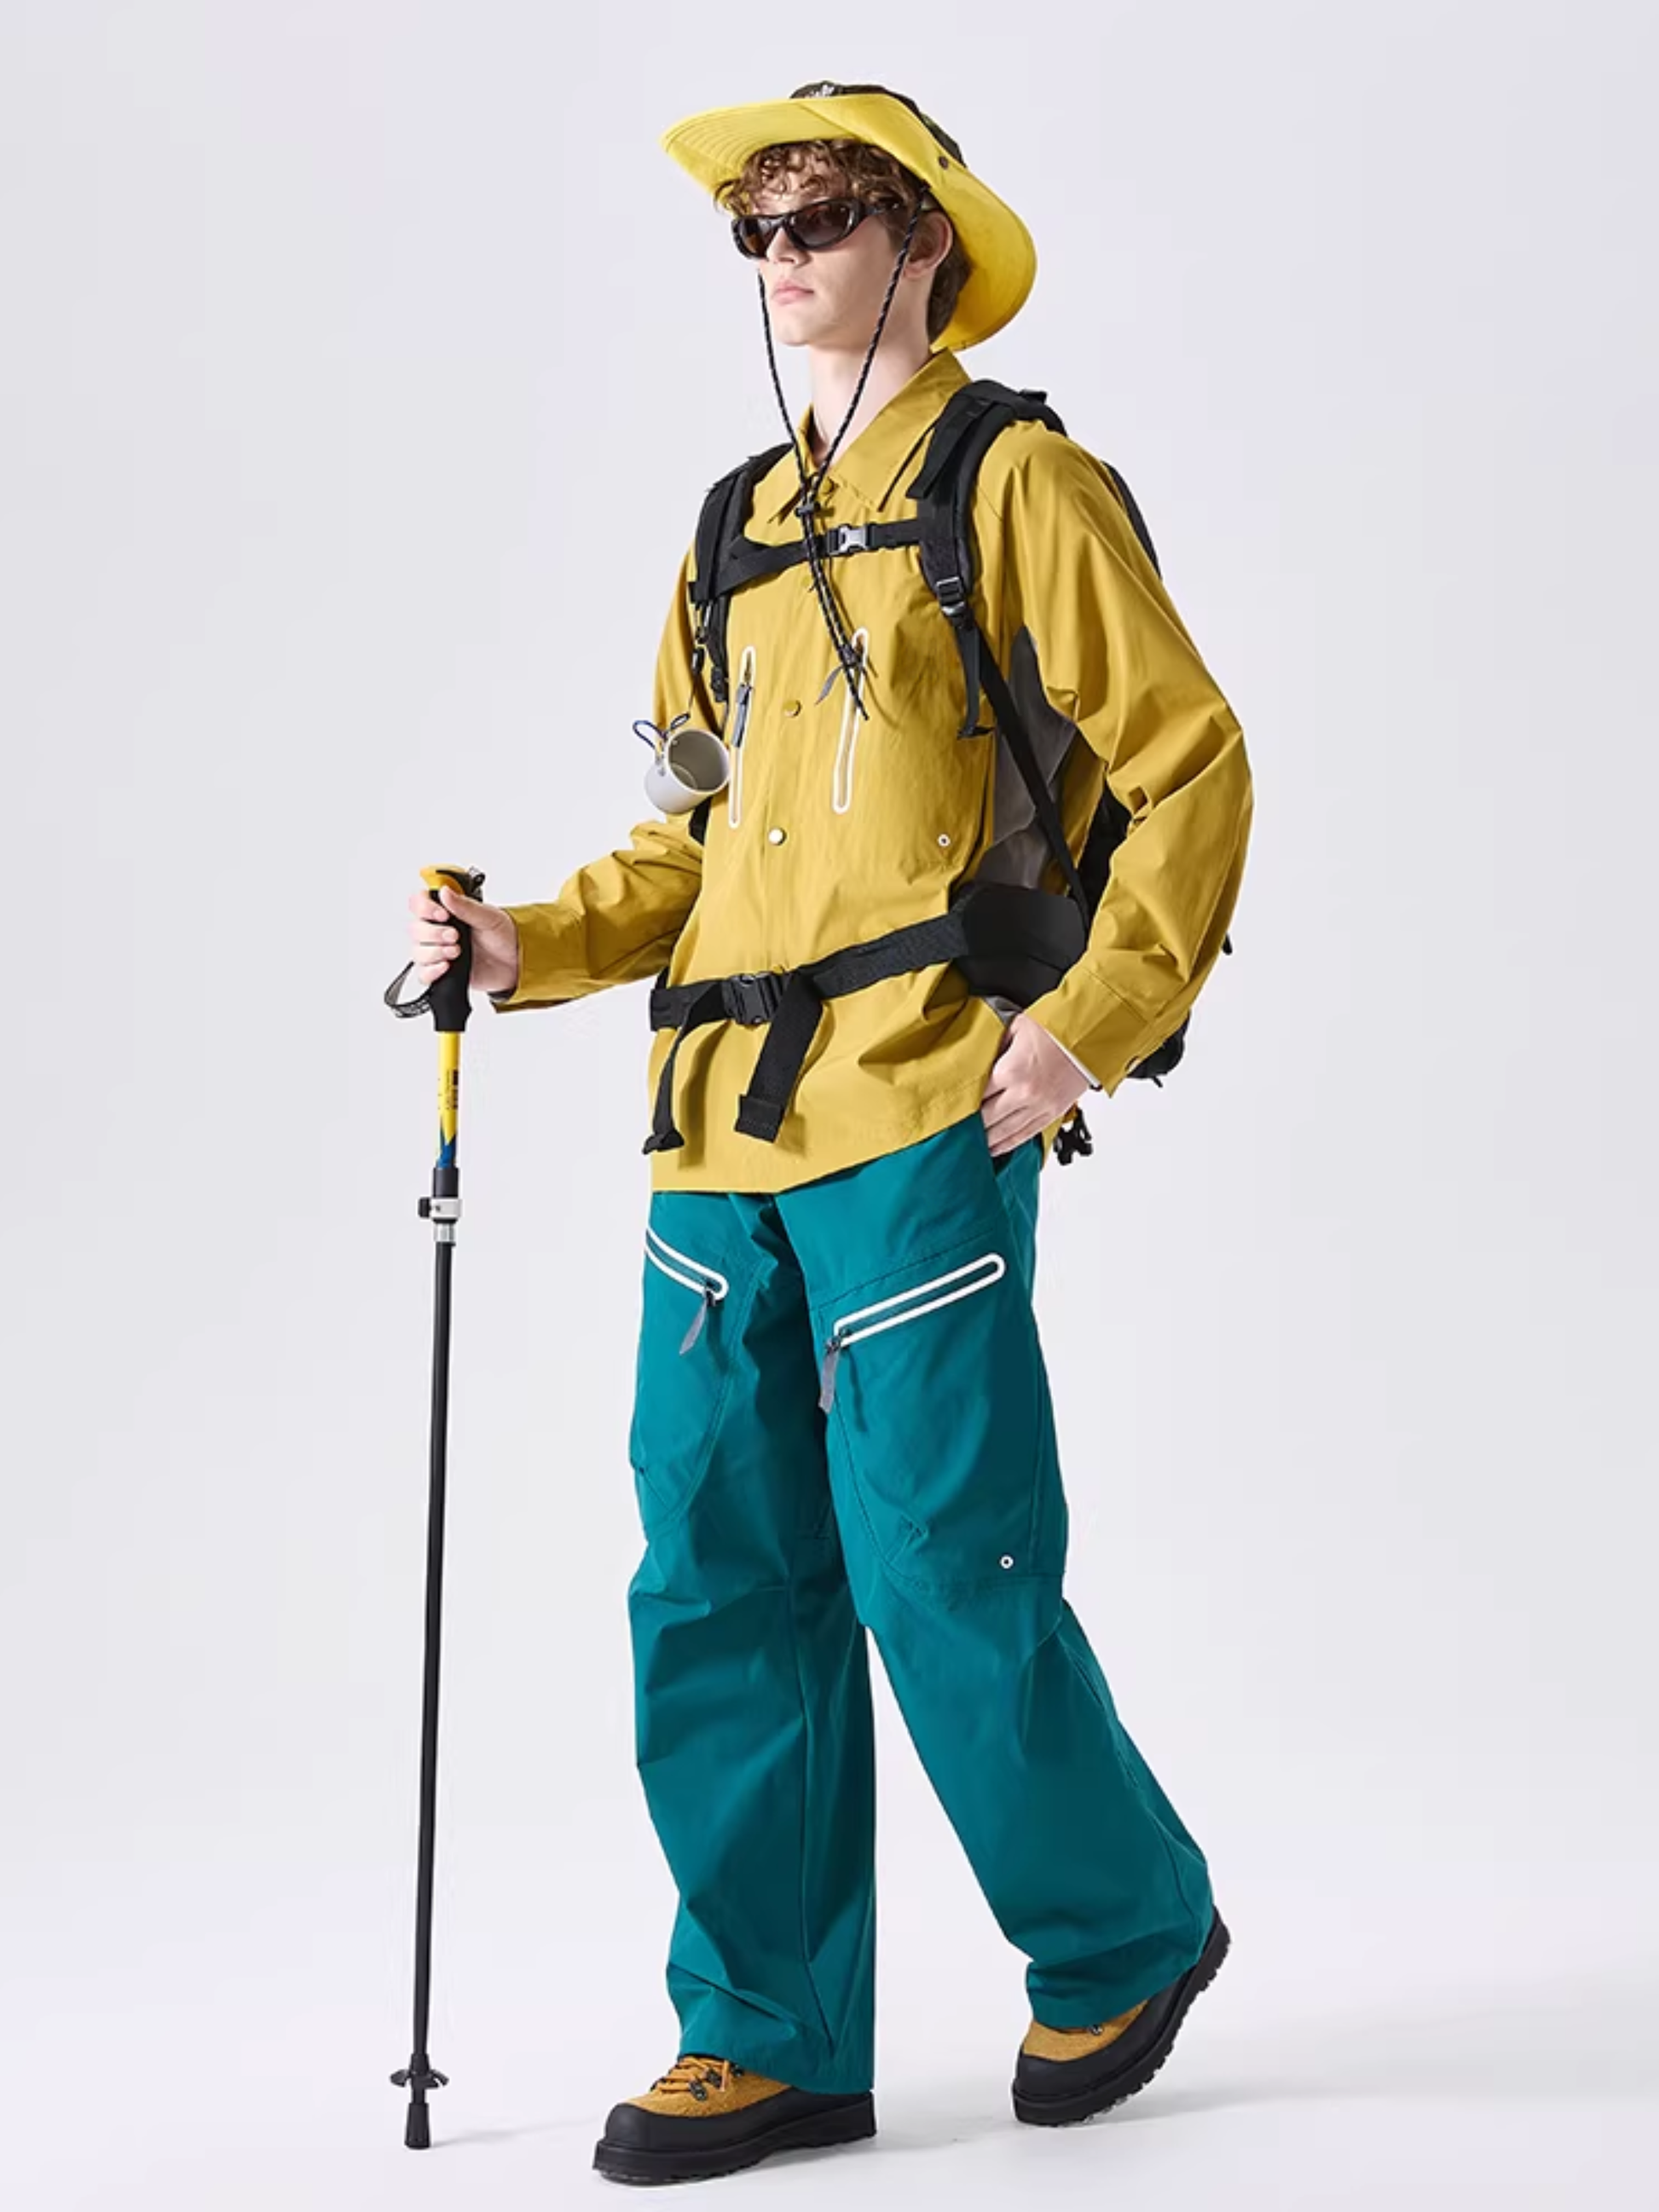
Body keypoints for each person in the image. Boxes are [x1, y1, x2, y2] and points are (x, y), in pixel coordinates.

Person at [405, 81, 1252, 2189]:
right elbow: (689, 837)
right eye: (757, 230)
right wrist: (527, 945)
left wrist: (1090, 1026)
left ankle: (1124, 1929)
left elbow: (1192, 762)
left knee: (940, 1563)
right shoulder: (727, 535)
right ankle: (765, 2033)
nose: (782, 258)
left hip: (919, 1110)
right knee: (713, 1577)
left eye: (823, 220)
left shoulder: (1017, 482)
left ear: (922, 244)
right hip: (714, 1138)